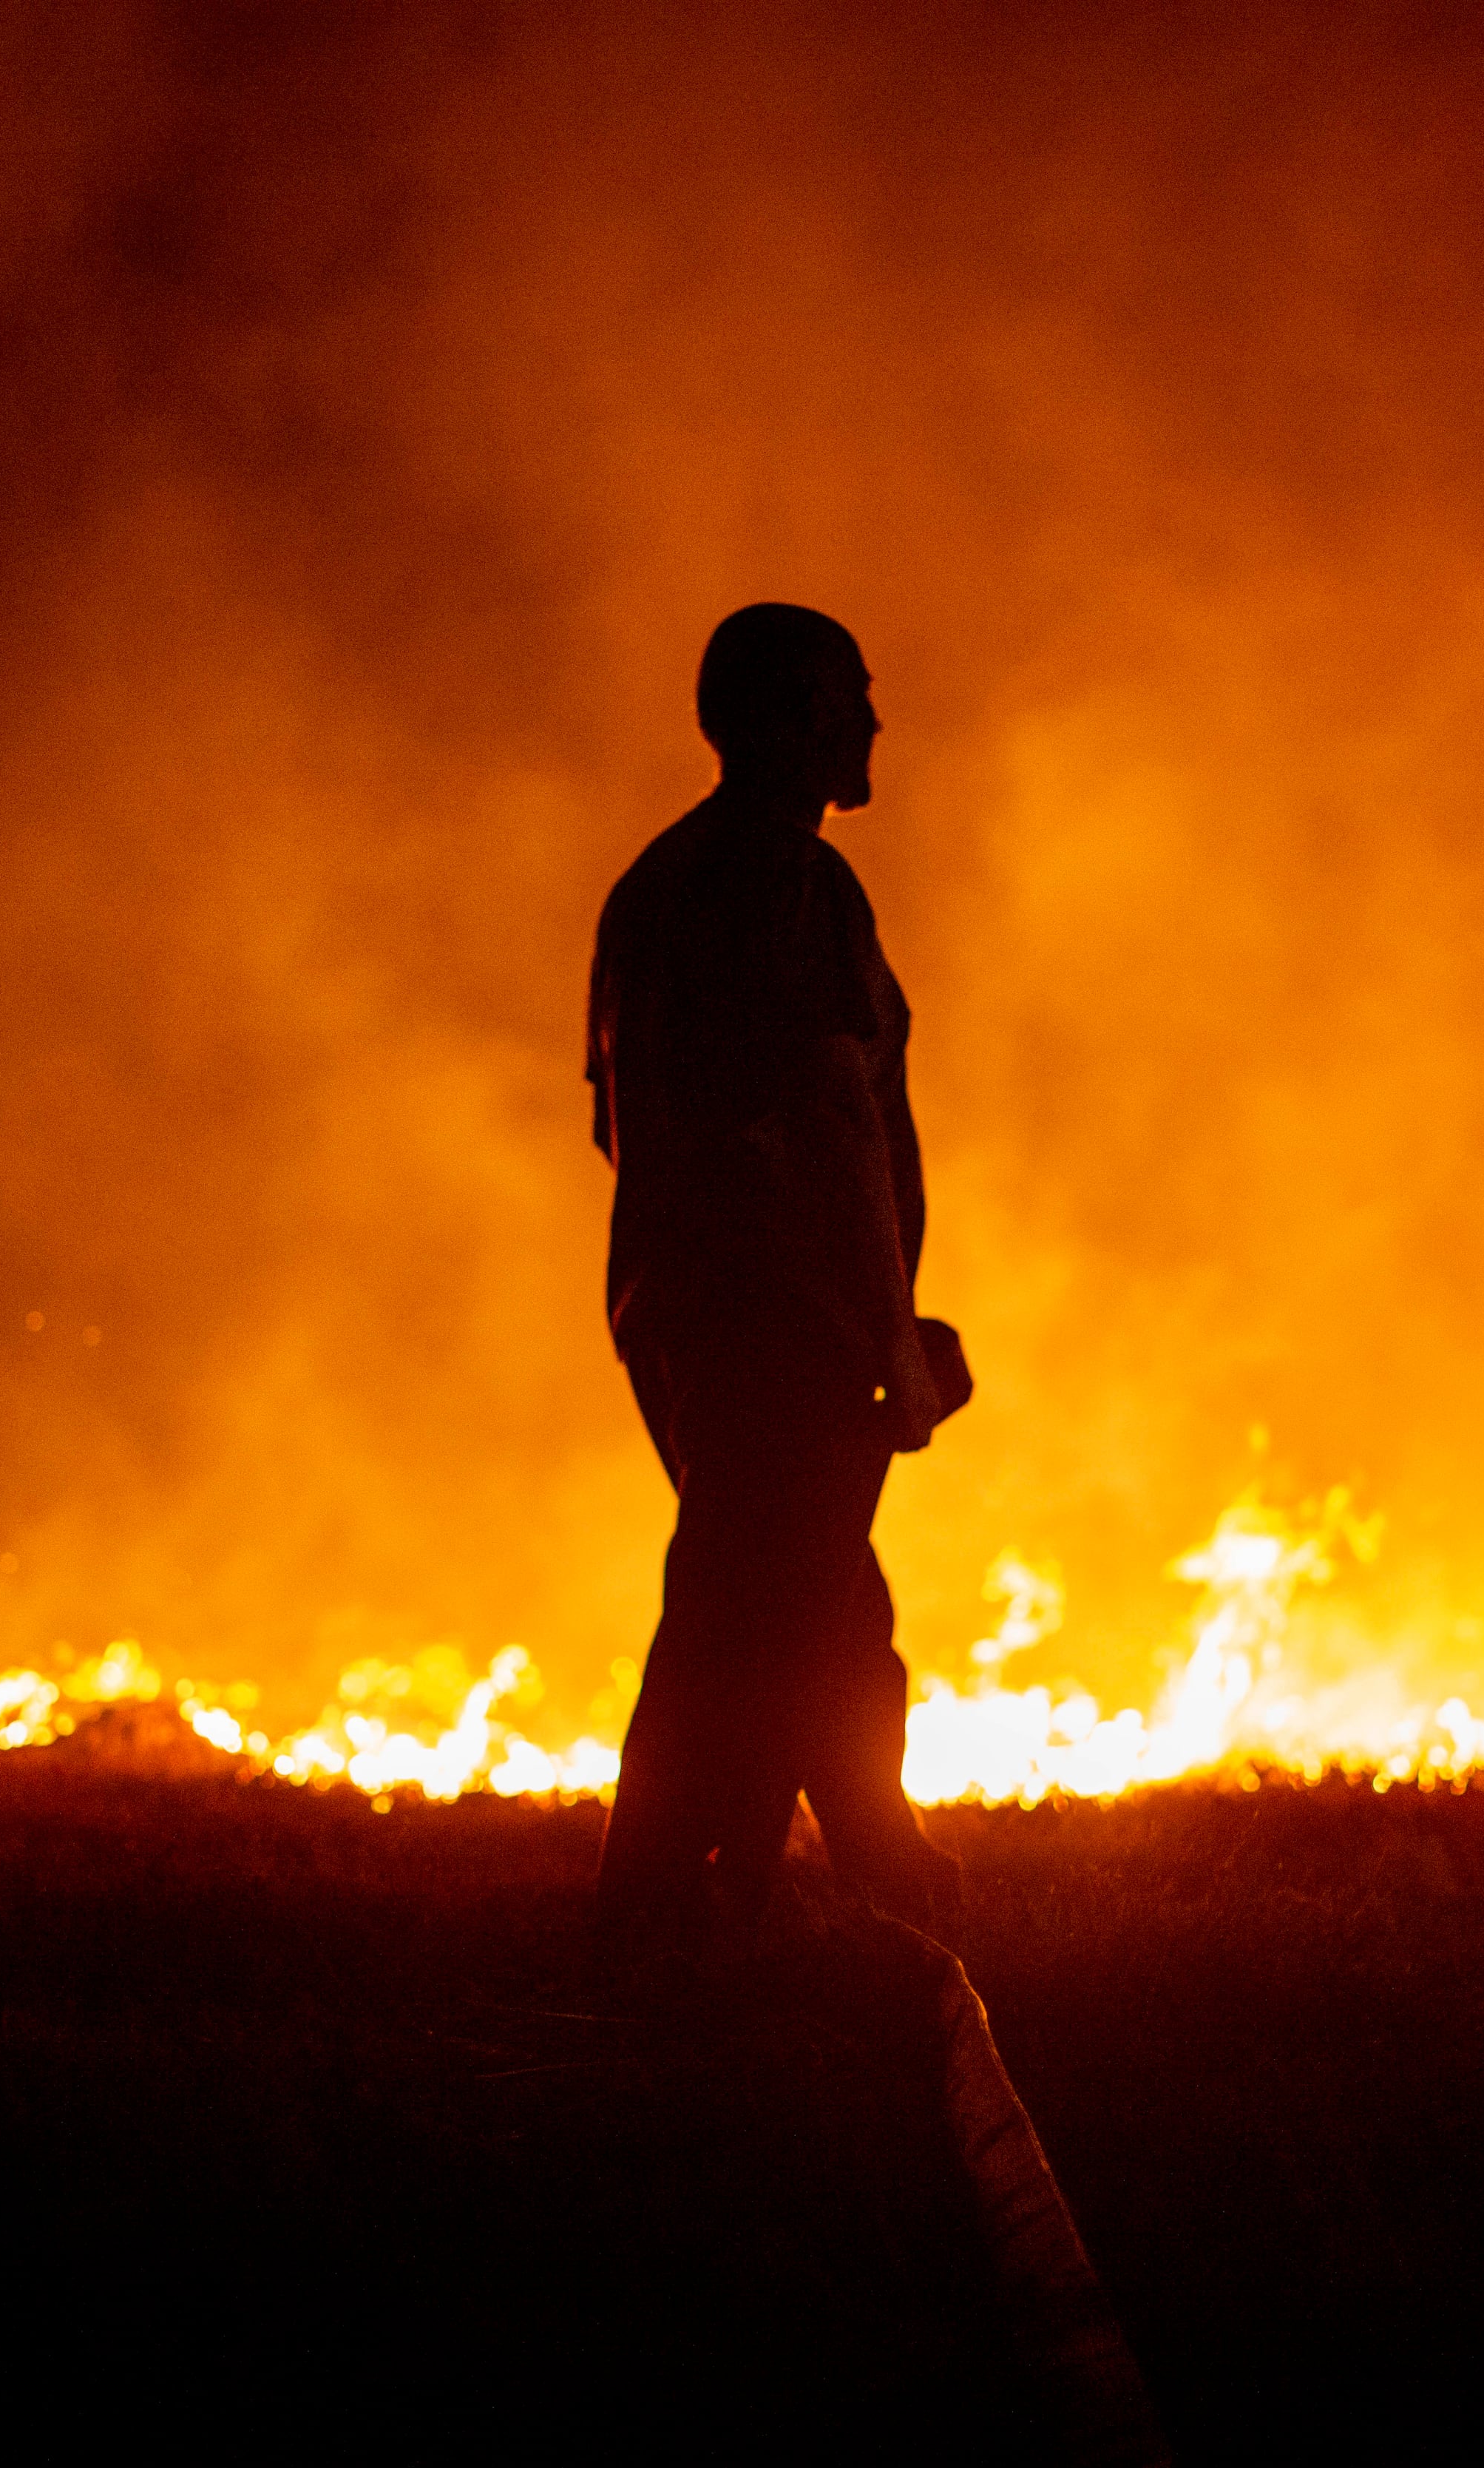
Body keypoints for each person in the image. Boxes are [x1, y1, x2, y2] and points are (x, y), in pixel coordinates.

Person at [586, 602, 971, 1941]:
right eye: (849, 697)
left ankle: (768, 1886)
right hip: (780, 1323)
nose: (872, 723)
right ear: (792, 719)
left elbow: (622, 1130)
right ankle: (659, 1911)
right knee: (751, 1617)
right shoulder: (789, 888)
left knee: (792, 1604)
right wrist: (887, 1337)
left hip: (692, 1312)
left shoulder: (659, 886)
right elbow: (830, 1120)